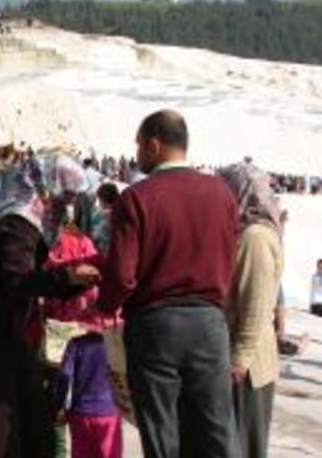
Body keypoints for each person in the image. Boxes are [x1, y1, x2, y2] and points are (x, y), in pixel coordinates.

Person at [0, 161, 101, 458]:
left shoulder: (22, 218)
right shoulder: (19, 220)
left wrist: (71, 280)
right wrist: (68, 278)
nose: (69, 205)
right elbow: (18, 279)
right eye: (67, 194)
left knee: (16, 404)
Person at [98, 110, 239, 458]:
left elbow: (122, 274)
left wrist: (104, 305)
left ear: (154, 144)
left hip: (157, 326)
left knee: (162, 433)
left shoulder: (137, 197)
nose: (137, 154)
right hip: (210, 324)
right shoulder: (221, 193)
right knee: (217, 429)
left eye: (139, 145)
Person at [220, 162, 283, 458]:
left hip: (248, 367)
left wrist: (239, 359)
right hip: (244, 362)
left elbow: (256, 305)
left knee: (244, 447)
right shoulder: (247, 232)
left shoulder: (254, 237)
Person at [56, 322, 122, 458]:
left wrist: (58, 406)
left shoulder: (75, 344)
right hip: (109, 414)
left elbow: (64, 376)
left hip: (80, 414)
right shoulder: (115, 345)